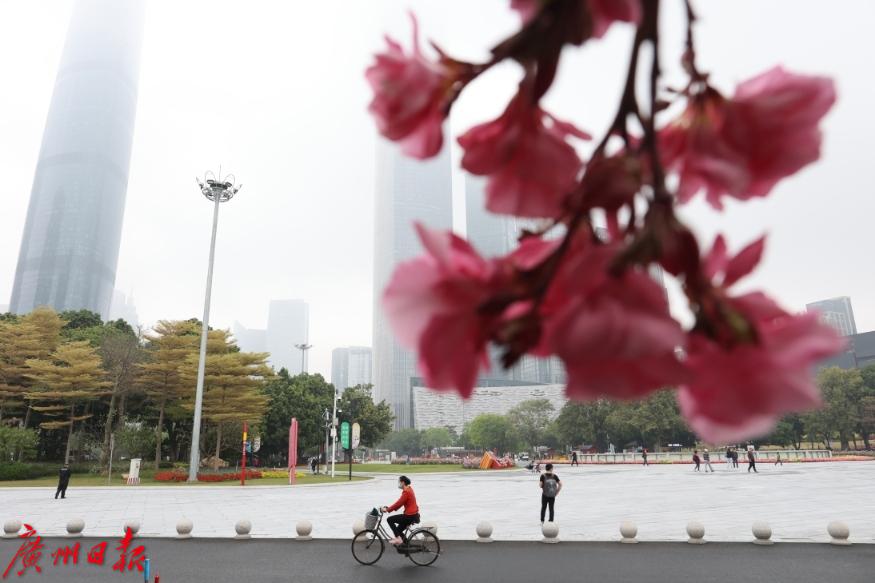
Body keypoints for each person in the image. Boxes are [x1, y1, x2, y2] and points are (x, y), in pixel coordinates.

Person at [381, 475, 420, 545]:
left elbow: (398, 503)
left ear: (403, 483)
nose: (398, 484)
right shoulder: (410, 489)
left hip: (409, 516)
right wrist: (389, 508)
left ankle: (398, 539)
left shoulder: (406, 492)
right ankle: (408, 546)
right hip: (413, 514)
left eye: (399, 482)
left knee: (389, 519)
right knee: (398, 530)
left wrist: (387, 510)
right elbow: (401, 503)